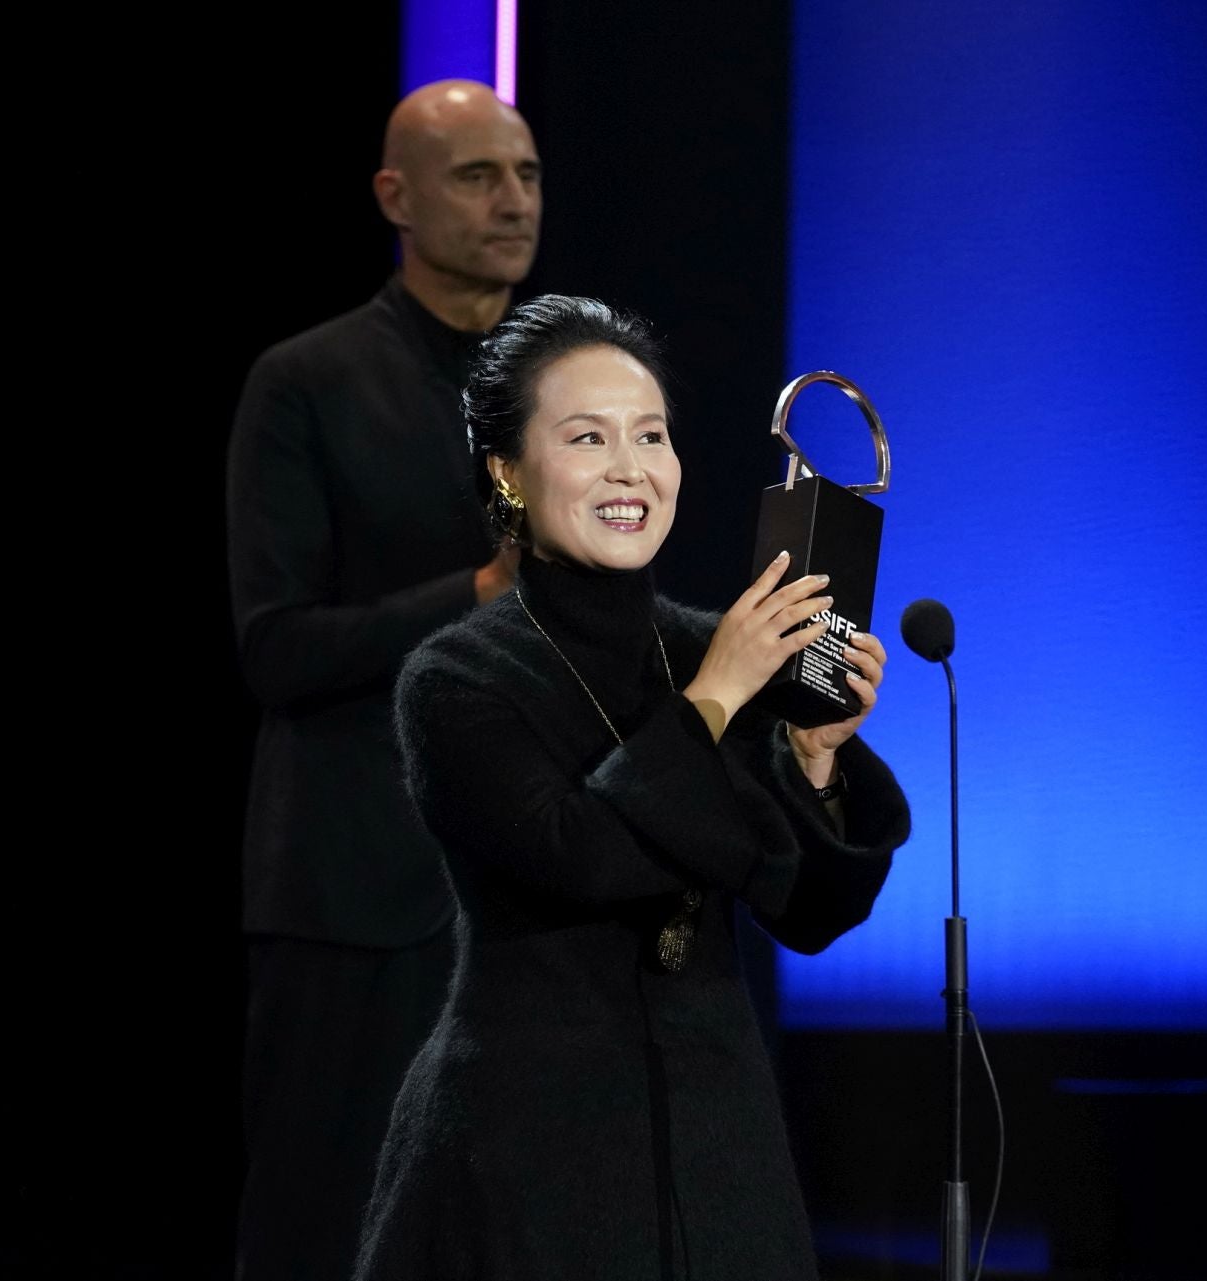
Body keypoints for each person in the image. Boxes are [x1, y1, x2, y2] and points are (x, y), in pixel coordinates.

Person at [354, 296, 912, 1279]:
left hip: (719, 1152)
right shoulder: (455, 682)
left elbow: (815, 910)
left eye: (650, 435)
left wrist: (817, 759)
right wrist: (717, 698)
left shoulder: (707, 647)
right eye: (587, 437)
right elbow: (576, 855)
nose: (630, 468)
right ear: (508, 473)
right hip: (525, 1154)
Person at [225, 80, 540, 1281]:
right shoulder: (307, 383)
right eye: (477, 175)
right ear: (393, 197)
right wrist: (476, 594)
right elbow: (278, 645)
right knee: (328, 1234)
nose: (513, 202)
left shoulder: (573, 387)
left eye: (526, 174)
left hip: (533, 881)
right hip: (357, 895)